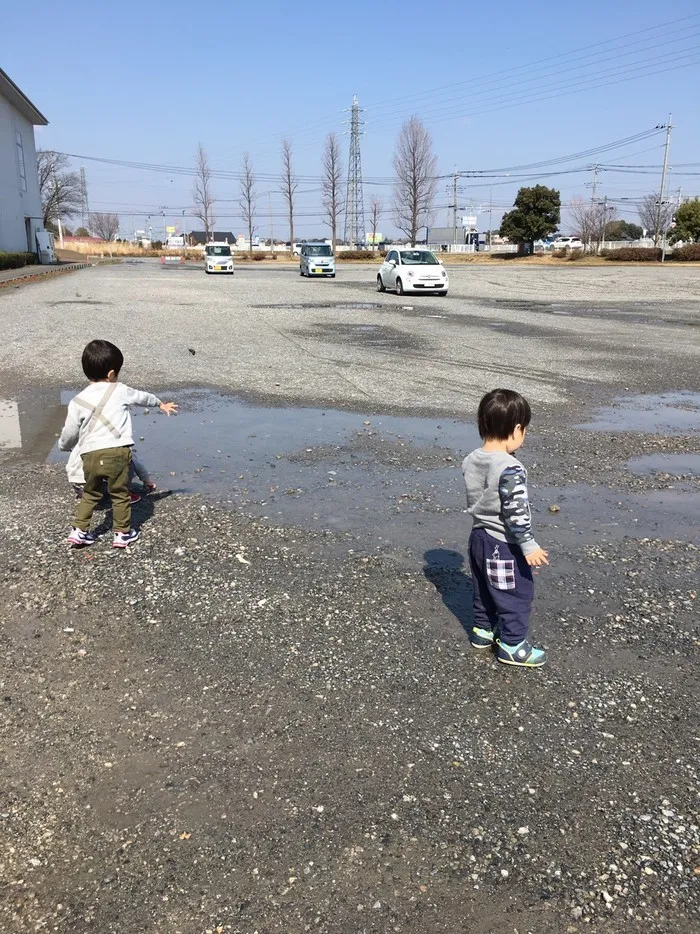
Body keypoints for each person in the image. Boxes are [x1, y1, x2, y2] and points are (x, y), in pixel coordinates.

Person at [59, 340, 177, 548]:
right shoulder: (119, 390)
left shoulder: (77, 400)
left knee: (90, 494)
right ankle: (122, 534)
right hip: (117, 453)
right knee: (120, 495)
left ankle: (79, 531)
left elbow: (70, 432)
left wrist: (64, 445)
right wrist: (160, 403)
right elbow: (142, 397)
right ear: (112, 374)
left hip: (90, 456)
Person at [462, 389, 549, 668]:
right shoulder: (510, 467)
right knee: (515, 594)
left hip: (478, 537)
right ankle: (512, 645)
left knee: (485, 589)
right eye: (525, 430)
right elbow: (515, 512)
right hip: (504, 543)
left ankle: (482, 632)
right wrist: (528, 545)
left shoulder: (471, 459)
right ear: (516, 429)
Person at [67, 445, 156, 501]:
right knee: (128, 460)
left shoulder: (84, 437)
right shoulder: (117, 441)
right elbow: (135, 462)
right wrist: (146, 480)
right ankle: (122, 494)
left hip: (79, 485)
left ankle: (85, 493)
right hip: (99, 485)